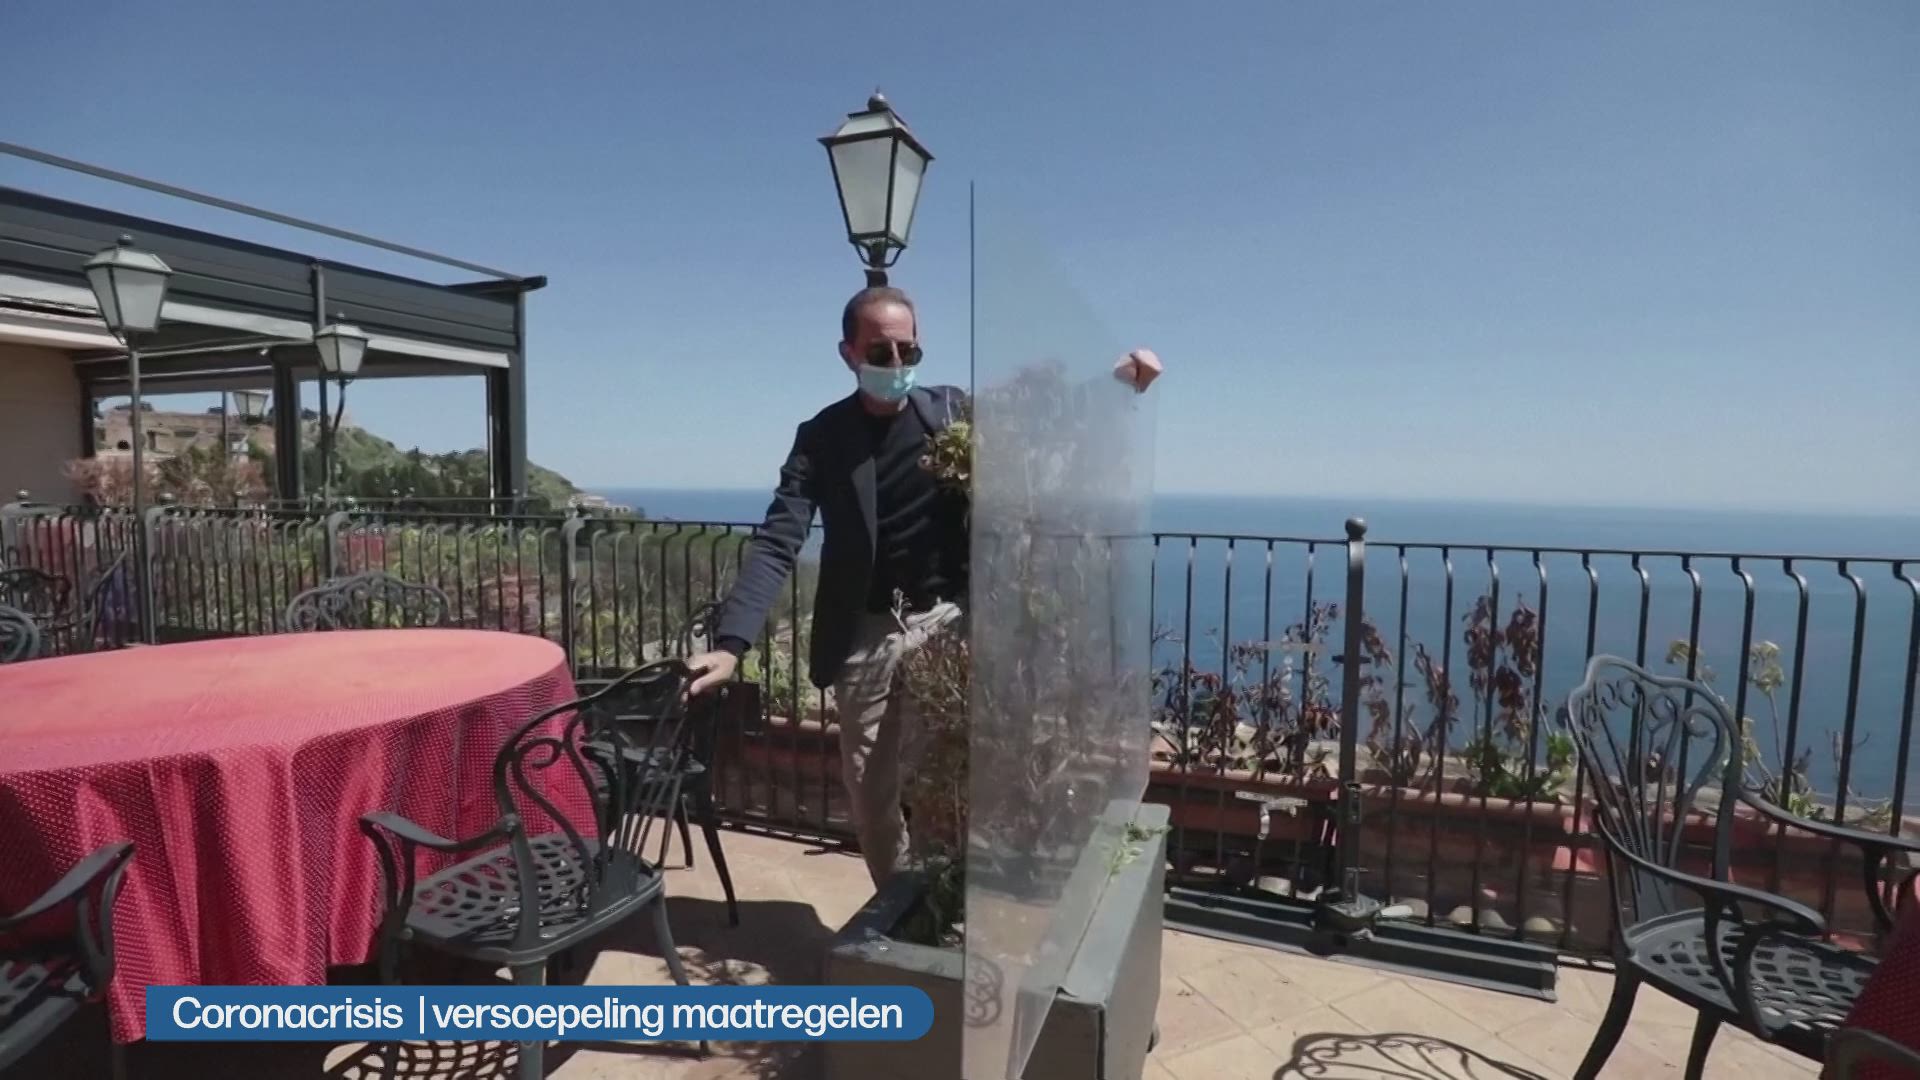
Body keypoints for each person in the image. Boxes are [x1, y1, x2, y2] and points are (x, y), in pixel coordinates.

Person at [688, 284, 1162, 886]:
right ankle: (898, 901)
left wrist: (1119, 380)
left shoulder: (950, 414)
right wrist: (732, 645)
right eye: (879, 352)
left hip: (947, 624)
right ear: (848, 353)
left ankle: (944, 901)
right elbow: (780, 538)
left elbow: (1037, 417)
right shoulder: (823, 437)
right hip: (865, 634)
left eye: (907, 351)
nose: (896, 364)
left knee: (951, 781)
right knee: (870, 796)